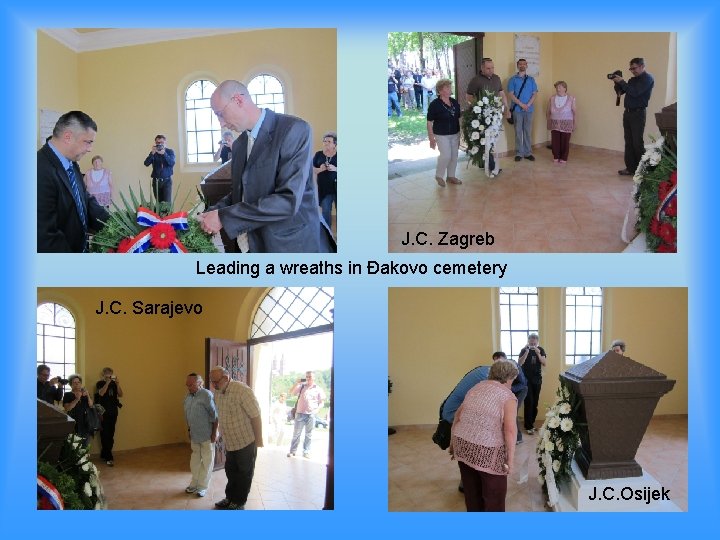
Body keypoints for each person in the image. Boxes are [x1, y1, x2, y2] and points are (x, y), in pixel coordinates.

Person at [198, 80, 336, 253]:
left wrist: (223, 217)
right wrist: (212, 212)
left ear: (238, 100)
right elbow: (240, 193)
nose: (221, 123)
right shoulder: (240, 145)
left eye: (220, 114)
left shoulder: (293, 129)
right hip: (254, 244)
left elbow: (287, 200)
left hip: (292, 245)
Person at [449, 359, 518, 512]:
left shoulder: (476, 387)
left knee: (472, 492)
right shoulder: (508, 397)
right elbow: (510, 431)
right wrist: (510, 462)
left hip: (462, 443)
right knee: (494, 496)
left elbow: (457, 416)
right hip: (486, 450)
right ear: (509, 378)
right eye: (513, 380)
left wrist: (453, 443)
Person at [37, 110, 109, 252]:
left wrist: (117, 224)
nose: (90, 149)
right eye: (88, 142)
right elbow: (46, 236)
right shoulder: (38, 169)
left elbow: (85, 200)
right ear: (68, 137)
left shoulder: (71, 163)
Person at [209, 366, 263, 511]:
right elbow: (220, 414)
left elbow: (256, 416)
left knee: (244, 473)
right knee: (231, 471)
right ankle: (230, 498)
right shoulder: (218, 392)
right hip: (230, 442)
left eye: (215, 382)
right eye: (212, 381)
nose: (213, 385)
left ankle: (239, 502)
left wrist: (259, 440)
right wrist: (218, 433)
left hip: (246, 441)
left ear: (226, 378)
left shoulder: (242, 391)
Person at [466, 58, 511, 174]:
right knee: (483, 141)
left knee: (492, 140)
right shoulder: (475, 80)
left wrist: (506, 107)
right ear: (482, 68)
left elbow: (501, 93)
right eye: (488, 68)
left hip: (495, 115)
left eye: (492, 68)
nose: (491, 70)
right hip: (481, 117)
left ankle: (487, 163)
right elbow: (468, 97)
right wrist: (478, 108)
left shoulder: (496, 78)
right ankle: (490, 165)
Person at [612, 58, 654, 176]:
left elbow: (635, 92)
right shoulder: (632, 80)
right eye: (631, 68)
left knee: (637, 143)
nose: (632, 71)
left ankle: (642, 171)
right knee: (629, 142)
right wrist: (617, 82)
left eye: (634, 68)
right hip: (628, 113)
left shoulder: (648, 79)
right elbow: (621, 92)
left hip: (638, 114)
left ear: (642, 66)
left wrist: (623, 82)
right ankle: (631, 168)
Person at [184, 373, 218, 498]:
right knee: (195, 461)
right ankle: (194, 483)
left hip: (207, 435)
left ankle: (203, 487)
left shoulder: (206, 395)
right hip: (194, 434)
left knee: (207, 461)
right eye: (187, 384)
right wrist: (189, 430)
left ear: (199, 383)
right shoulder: (188, 396)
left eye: (191, 384)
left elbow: (215, 416)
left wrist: (214, 433)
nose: (188, 387)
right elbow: (189, 416)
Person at [427, 79, 462, 187]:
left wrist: (461, 132)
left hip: (454, 133)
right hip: (441, 134)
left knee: (454, 156)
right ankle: (439, 175)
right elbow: (429, 122)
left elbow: (459, 117)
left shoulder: (454, 102)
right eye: (447, 87)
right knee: (446, 155)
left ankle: (451, 176)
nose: (449, 89)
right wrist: (431, 138)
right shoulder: (435, 104)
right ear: (440, 91)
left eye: (449, 87)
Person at [287, 371, 326, 459]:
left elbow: (322, 403)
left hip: (311, 415)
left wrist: (316, 410)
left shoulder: (318, 389)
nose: (308, 378)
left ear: (314, 378)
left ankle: (306, 451)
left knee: (308, 434)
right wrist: (296, 383)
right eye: (307, 376)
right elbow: (291, 392)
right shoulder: (301, 386)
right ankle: (292, 451)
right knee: (296, 434)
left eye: (310, 377)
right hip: (300, 413)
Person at [507, 58, 538, 162]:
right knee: (518, 131)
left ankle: (528, 153)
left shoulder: (531, 80)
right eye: (520, 64)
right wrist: (521, 104)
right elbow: (511, 94)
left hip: (529, 109)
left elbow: (534, 93)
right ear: (517, 66)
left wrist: (527, 105)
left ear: (526, 66)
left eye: (524, 64)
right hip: (517, 110)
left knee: (528, 132)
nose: (522, 66)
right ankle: (519, 153)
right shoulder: (512, 79)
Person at [518, 333, 547, 434]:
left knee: (535, 402)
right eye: (531, 342)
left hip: (537, 379)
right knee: (529, 401)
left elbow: (544, 363)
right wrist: (526, 352)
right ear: (528, 341)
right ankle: (528, 426)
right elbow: (520, 363)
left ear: (537, 342)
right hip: (526, 380)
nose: (533, 344)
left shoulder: (541, 350)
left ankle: (531, 424)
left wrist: (538, 353)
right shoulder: (524, 350)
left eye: (534, 343)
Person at [94, 367, 123, 466]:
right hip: (103, 413)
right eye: (107, 374)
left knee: (111, 433)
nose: (109, 375)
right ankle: (108, 456)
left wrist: (118, 384)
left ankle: (104, 453)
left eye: (110, 374)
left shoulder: (114, 384)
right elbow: (101, 393)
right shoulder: (100, 383)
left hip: (113, 412)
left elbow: (121, 394)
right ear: (103, 375)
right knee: (104, 434)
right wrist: (107, 382)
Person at [547, 81, 577, 164]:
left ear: (565, 88)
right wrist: (548, 122)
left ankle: (564, 157)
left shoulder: (571, 98)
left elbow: (574, 112)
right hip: (554, 122)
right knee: (555, 141)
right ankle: (556, 156)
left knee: (565, 141)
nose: (557, 88)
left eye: (560, 87)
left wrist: (575, 123)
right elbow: (548, 111)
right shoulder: (552, 98)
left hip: (567, 123)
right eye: (556, 87)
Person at [313, 132, 337, 228]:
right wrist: (320, 169)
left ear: (335, 144)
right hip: (324, 189)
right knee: (326, 212)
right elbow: (311, 169)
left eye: (329, 141)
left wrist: (335, 168)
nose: (326, 143)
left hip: (338, 189)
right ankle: (328, 236)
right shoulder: (318, 154)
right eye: (324, 141)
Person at [62, 374, 94, 447]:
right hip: (74, 424)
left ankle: (85, 459)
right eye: (74, 382)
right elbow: (67, 408)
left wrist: (88, 395)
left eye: (78, 382)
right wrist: (77, 399)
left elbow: (91, 405)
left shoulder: (85, 394)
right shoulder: (67, 394)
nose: (77, 384)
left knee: (85, 446)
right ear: (71, 384)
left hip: (86, 423)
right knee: (74, 447)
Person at [143, 134, 175, 204]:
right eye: (158, 143)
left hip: (167, 181)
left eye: (162, 143)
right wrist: (152, 153)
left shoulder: (170, 152)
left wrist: (164, 154)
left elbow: (172, 163)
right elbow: (146, 163)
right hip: (156, 182)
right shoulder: (154, 152)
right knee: (159, 204)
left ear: (165, 143)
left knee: (167, 204)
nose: (160, 144)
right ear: (155, 143)